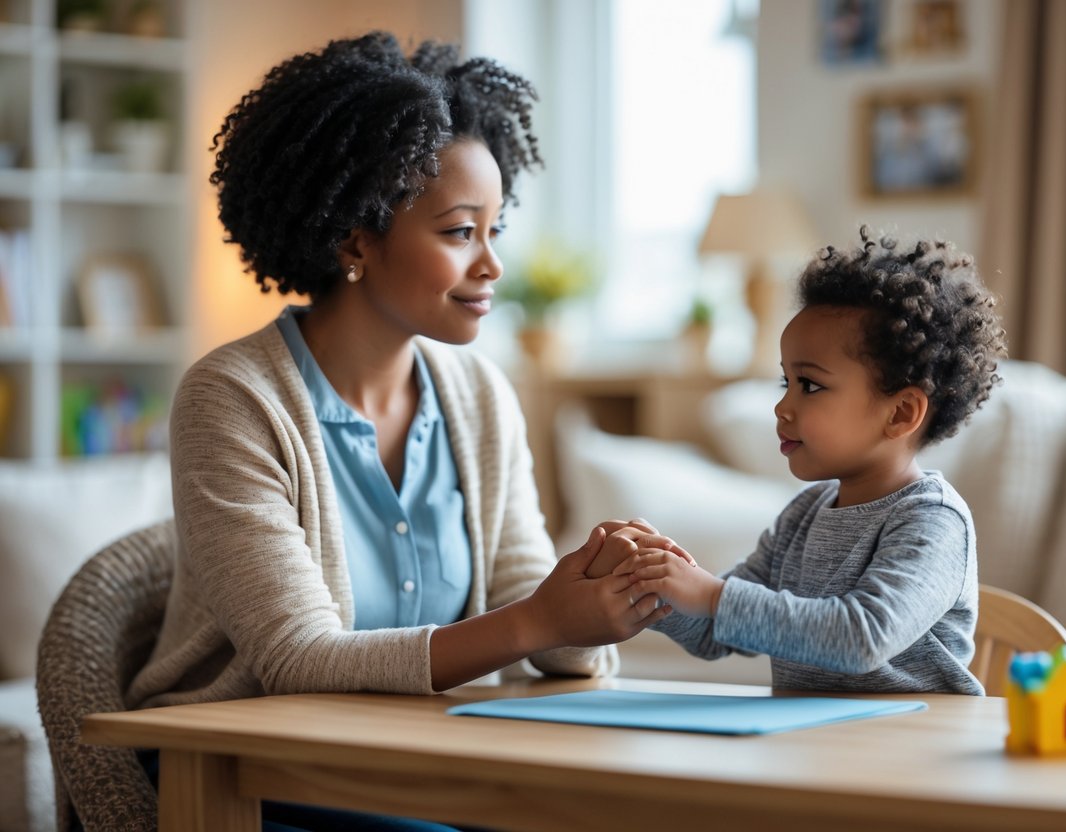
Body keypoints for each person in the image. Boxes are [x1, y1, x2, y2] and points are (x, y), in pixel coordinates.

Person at [124, 32, 675, 832]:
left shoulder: (480, 394)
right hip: (244, 769)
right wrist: (542, 621)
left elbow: (531, 608)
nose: (491, 265)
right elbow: (296, 661)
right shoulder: (232, 398)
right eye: (459, 232)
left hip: (422, 762)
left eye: (496, 230)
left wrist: (593, 601)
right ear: (355, 239)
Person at [615, 227, 1007, 695]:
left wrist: (712, 595)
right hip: (814, 749)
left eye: (811, 385)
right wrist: (654, 580)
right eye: (786, 383)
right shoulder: (804, 516)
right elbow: (711, 630)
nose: (782, 408)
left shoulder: (934, 522)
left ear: (901, 412)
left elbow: (861, 637)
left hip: (912, 753)